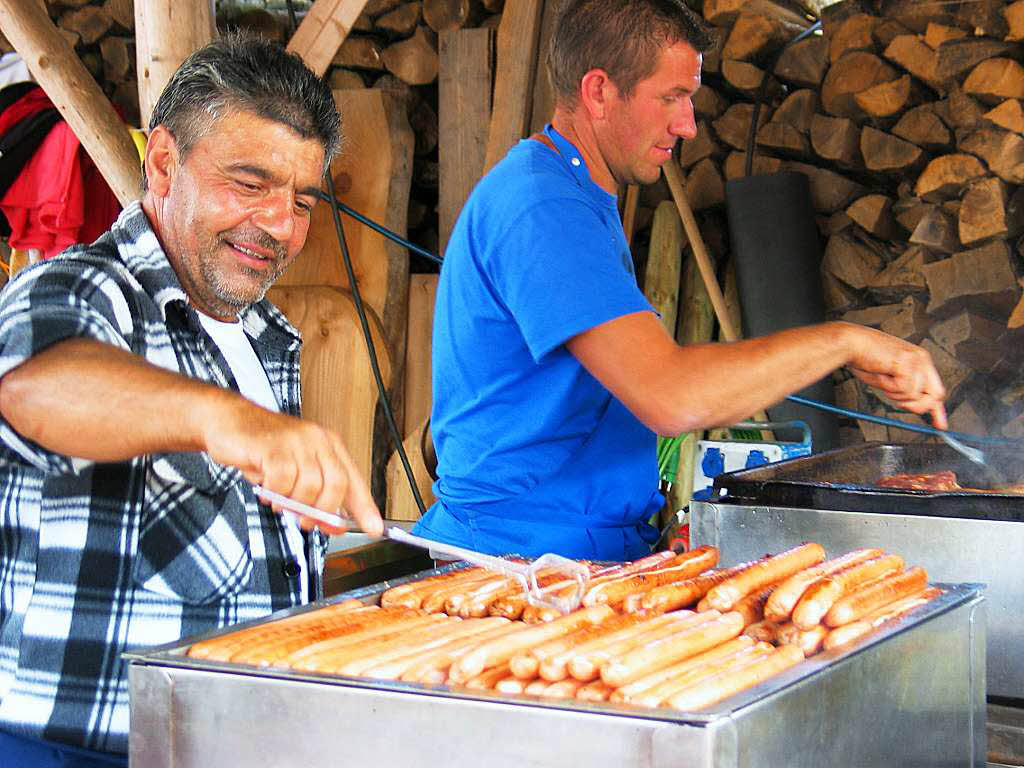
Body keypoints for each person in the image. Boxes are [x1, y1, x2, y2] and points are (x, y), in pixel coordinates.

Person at [415, 0, 947, 562]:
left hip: (570, 552)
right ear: (599, 92)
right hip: (512, 566)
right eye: (672, 97)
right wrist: (843, 340)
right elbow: (669, 395)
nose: (688, 125)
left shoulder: (574, 194)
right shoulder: (543, 209)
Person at [0, 35, 383, 767]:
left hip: (223, 741)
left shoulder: (267, 334)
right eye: (249, 183)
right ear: (166, 162)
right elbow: (33, 388)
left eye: (301, 199)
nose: (280, 225)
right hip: (76, 750)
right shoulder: (78, 289)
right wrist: (225, 420)